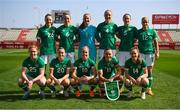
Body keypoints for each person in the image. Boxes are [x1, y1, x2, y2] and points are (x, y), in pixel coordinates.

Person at [136, 17, 159, 95]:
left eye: (146, 22)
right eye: (143, 22)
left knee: (149, 71)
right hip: (141, 53)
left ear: (148, 22)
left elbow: (156, 42)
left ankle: (149, 88)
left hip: (150, 53)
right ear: (141, 22)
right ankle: (142, 88)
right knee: (141, 71)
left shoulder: (152, 31)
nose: (145, 23)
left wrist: (157, 52)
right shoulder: (138, 32)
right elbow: (134, 40)